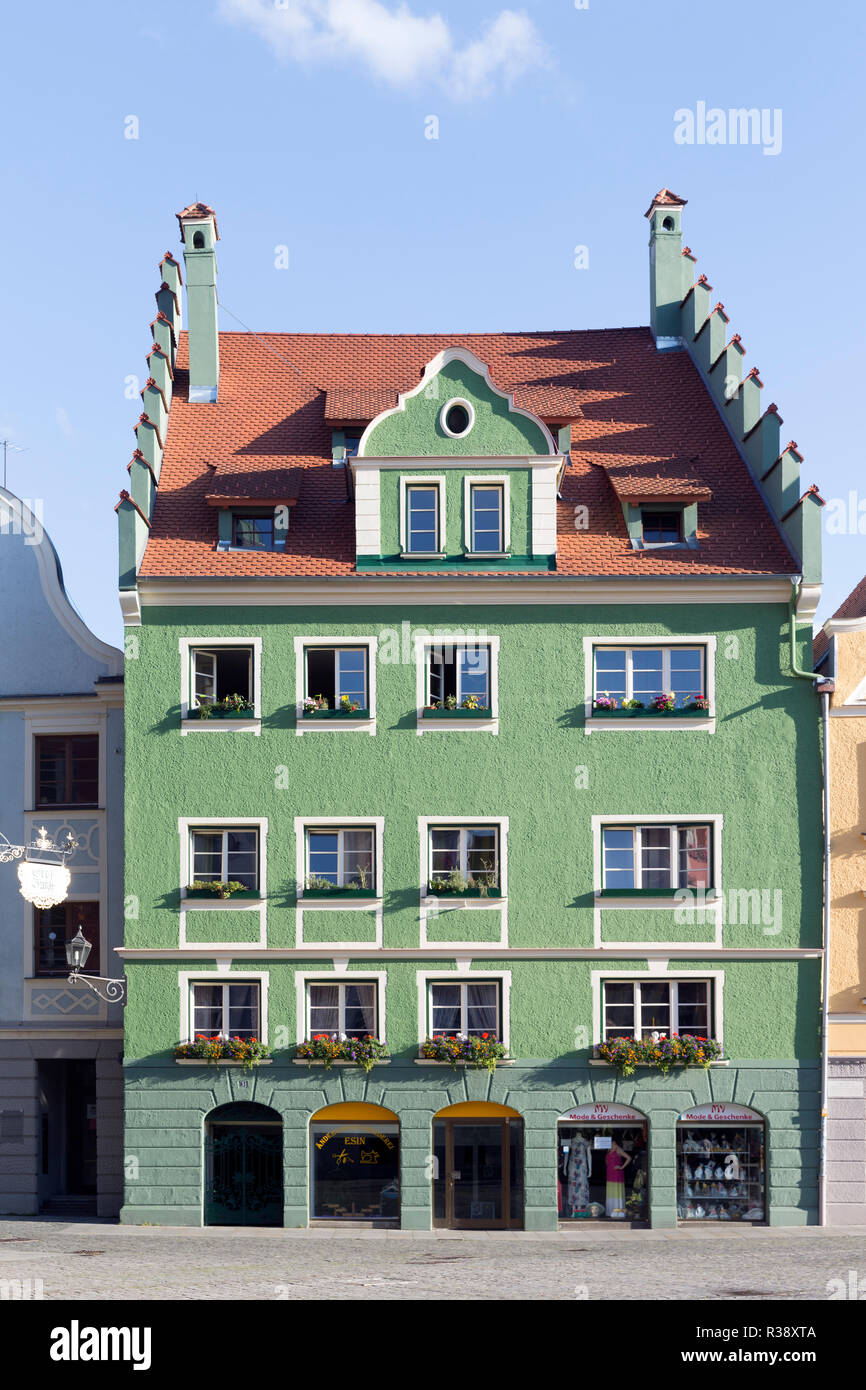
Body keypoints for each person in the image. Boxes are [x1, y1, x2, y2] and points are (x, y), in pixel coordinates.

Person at [605, 1137, 632, 1217]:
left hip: (617, 1174)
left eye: (611, 1141)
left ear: (614, 1141)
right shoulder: (609, 1149)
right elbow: (607, 1160)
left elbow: (629, 1158)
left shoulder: (618, 1149)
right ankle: (611, 1211)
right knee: (611, 1192)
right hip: (610, 1174)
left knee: (617, 1192)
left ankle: (619, 1212)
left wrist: (621, 1167)